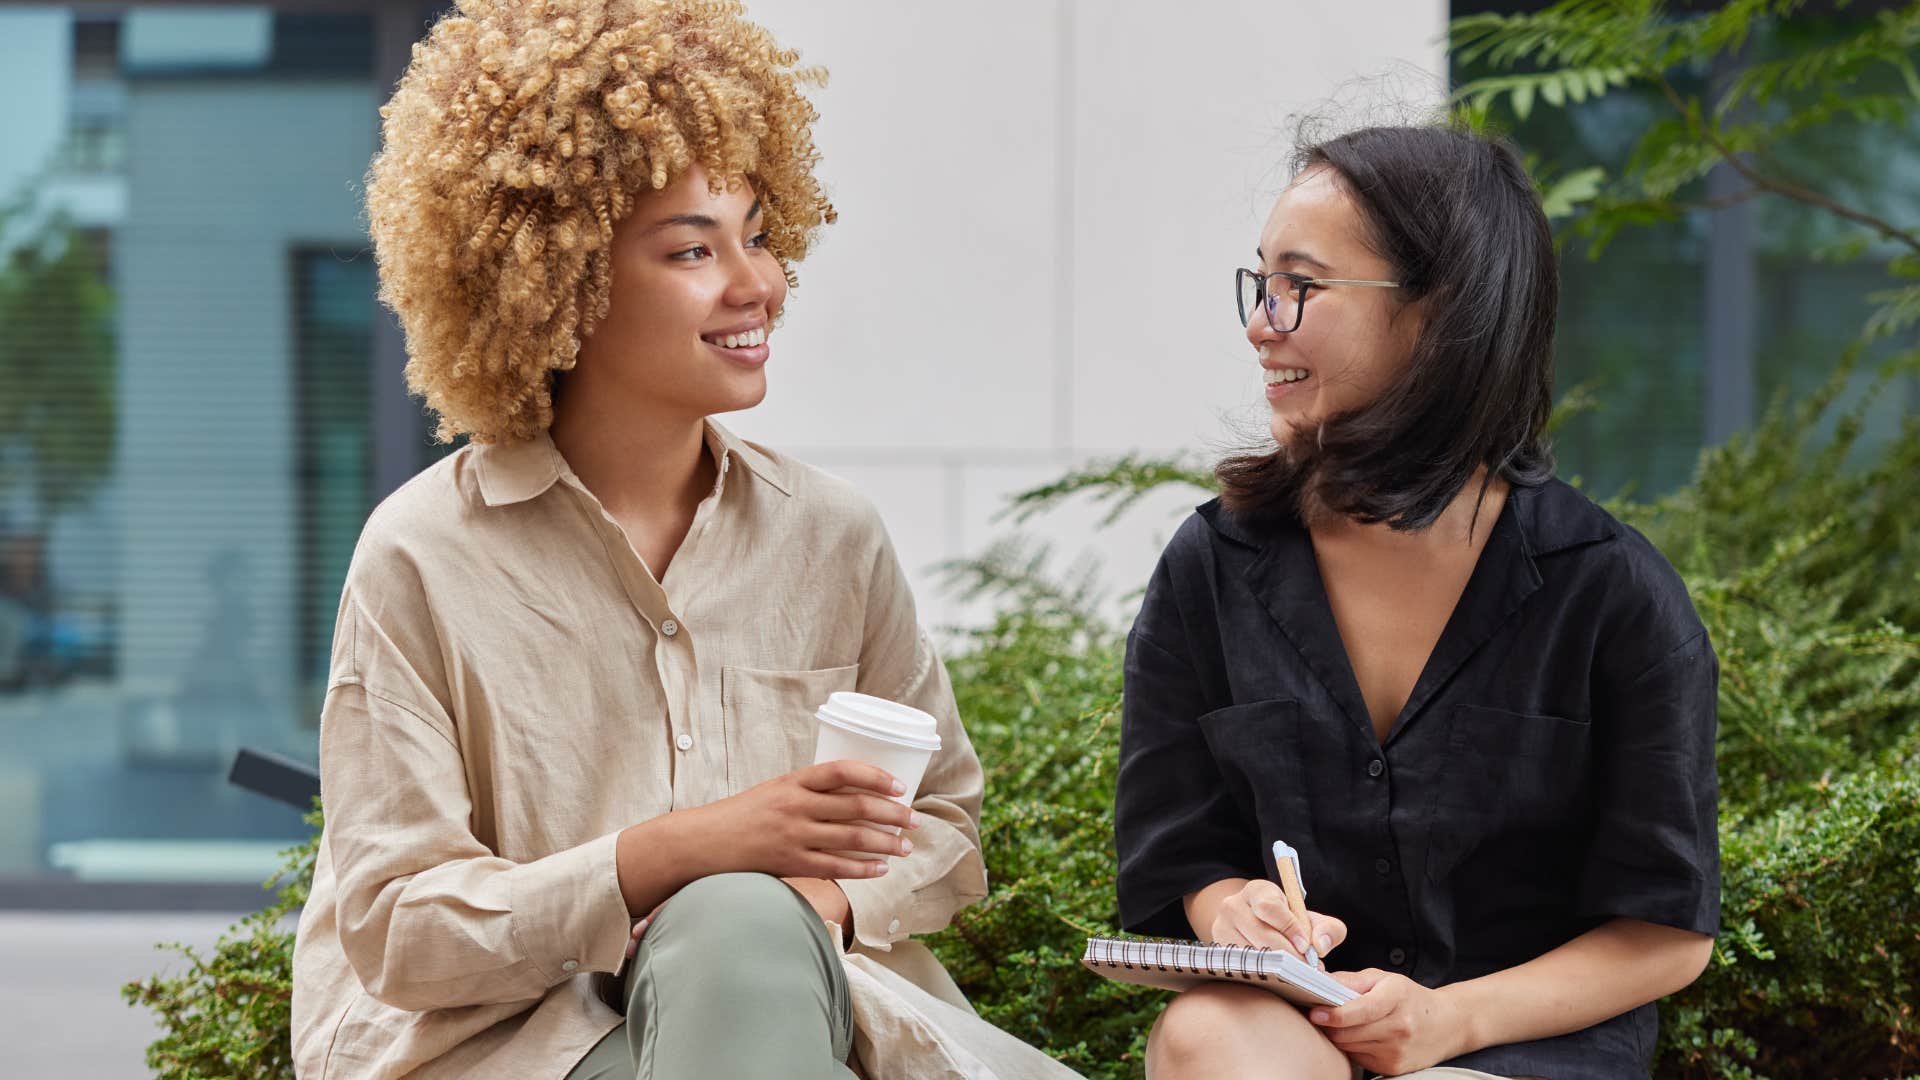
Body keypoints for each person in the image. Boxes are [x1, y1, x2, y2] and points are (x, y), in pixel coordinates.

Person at [290, 2, 1077, 1077]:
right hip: (518, 1046)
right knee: (728, 914)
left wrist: (819, 899)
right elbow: (396, 929)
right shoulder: (422, 557)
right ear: (559, 280)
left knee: (740, 930)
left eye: (757, 235)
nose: (756, 283)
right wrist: (676, 858)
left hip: (800, 1016)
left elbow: (940, 824)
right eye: (693, 249)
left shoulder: (831, 539)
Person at [1113, 124, 1720, 1080]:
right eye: (1260, 282)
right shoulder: (1212, 565)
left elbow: (1665, 930)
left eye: (1300, 286)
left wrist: (1449, 1021)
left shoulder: (1613, 595)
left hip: (1518, 1052)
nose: (1260, 322)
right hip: (1297, 1037)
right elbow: (1176, 850)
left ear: (1440, 313)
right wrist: (1232, 908)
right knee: (1204, 1036)